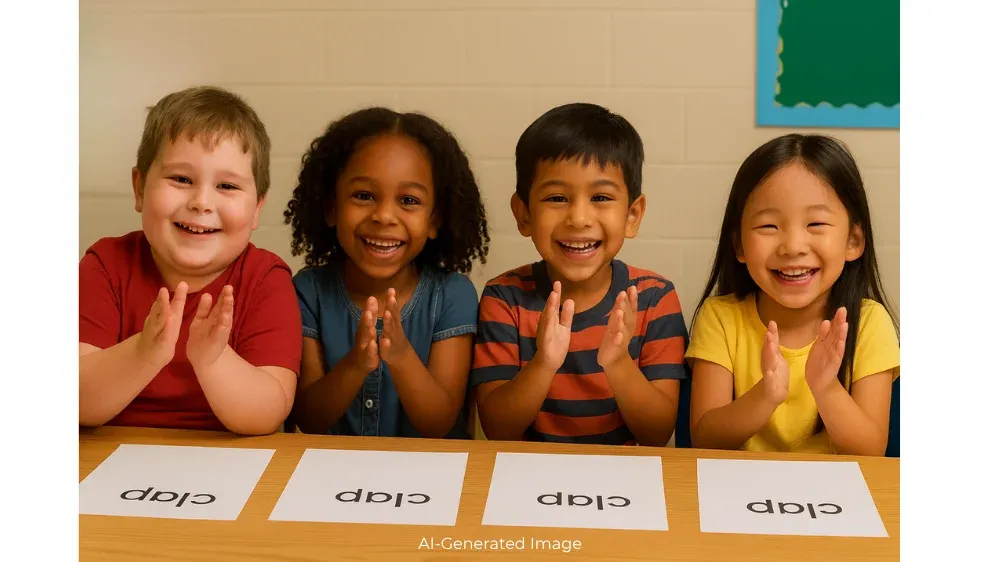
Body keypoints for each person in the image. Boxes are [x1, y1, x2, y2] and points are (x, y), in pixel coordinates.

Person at [79, 86, 302, 435]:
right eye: (181, 179)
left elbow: (269, 413)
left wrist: (212, 361)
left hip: (228, 465)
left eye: (227, 186)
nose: (201, 202)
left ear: (258, 207)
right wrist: (142, 353)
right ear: (139, 188)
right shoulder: (106, 265)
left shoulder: (266, 279)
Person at [471, 102, 688, 446]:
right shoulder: (504, 297)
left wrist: (618, 362)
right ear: (523, 214)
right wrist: (543, 363)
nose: (579, 218)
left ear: (633, 215)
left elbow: (658, 434)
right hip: (526, 477)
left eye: (601, 197)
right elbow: (498, 430)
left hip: (624, 482)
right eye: (557, 198)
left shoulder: (653, 298)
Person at [685, 133, 899, 455]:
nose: (793, 247)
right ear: (740, 245)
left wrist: (826, 387)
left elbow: (871, 451)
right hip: (739, 494)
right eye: (769, 226)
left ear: (853, 241)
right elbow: (705, 440)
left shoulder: (870, 323)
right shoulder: (720, 318)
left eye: (815, 224)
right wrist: (766, 395)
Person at [284, 107, 489, 438]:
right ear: (331, 207)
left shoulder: (453, 295)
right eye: (364, 196)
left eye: (408, 200)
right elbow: (308, 419)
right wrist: (354, 365)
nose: (384, 216)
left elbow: (439, 424)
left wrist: (402, 357)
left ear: (435, 219)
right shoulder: (309, 290)